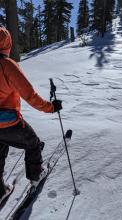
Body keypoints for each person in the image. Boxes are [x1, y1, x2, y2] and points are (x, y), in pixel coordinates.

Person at [0, 27, 62, 202]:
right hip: (8, 122)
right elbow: (29, 95)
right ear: (7, 43)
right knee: (33, 143)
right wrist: (51, 107)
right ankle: (35, 176)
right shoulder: (7, 65)